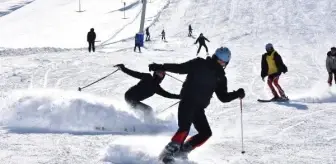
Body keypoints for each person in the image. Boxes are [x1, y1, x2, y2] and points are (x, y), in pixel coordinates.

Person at [148, 47, 245, 163]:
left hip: (198, 108)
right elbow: (181, 68)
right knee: (184, 128)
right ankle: (167, 154)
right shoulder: (204, 66)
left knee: (205, 133)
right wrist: (161, 66)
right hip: (187, 102)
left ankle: (181, 152)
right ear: (225, 62)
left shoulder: (215, 74)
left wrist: (236, 94)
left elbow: (180, 68)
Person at [114, 64, 180, 120]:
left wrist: (181, 96)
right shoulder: (147, 77)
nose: (160, 74)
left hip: (134, 100)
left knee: (146, 110)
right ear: (155, 72)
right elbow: (133, 73)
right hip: (129, 96)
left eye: (162, 74)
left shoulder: (157, 88)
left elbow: (168, 95)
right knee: (148, 110)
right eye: (159, 72)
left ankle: (132, 121)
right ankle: (147, 124)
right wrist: (123, 68)